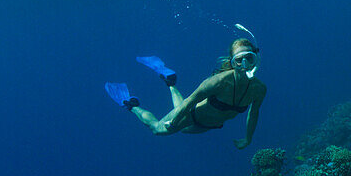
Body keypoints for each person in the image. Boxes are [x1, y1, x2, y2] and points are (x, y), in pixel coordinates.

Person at [105, 38, 266, 149]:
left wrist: (248, 139)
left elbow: (254, 113)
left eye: (249, 58)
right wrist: (175, 121)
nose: (244, 64)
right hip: (191, 115)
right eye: (239, 59)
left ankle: (170, 82)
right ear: (232, 61)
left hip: (210, 125)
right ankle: (130, 104)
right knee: (156, 129)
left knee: (183, 128)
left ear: (256, 59)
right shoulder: (219, 82)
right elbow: (190, 101)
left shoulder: (259, 89)